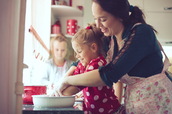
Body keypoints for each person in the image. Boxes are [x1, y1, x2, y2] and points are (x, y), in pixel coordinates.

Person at [53, 0, 172, 113]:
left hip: (159, 102)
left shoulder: (141, 33)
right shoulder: (110, 38)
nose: (98, 25)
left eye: (103, 19)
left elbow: (110, 74)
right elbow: (79, 63)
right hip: (135, 103)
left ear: (119, 15)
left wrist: (67, 80)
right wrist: (62, 82)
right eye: (95, 19)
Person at [53, 23, 124, 114]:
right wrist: (60, 86)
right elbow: (75, 76)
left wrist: (58, 92)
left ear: (93, 48)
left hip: (110, 111)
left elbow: (76, 87)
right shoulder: (83, 64)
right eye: (76, 52)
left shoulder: (97, 64)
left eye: (79, 51)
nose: (77, 56)